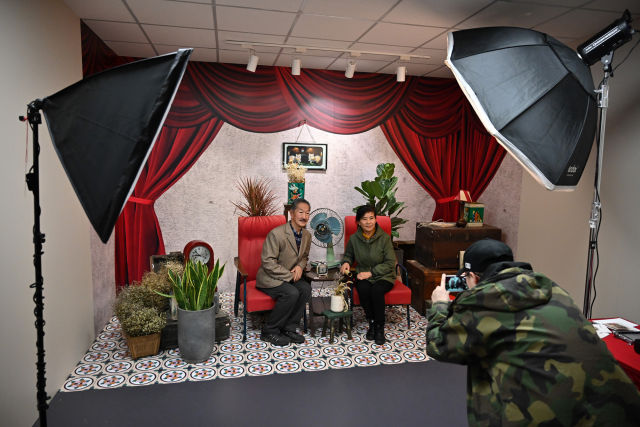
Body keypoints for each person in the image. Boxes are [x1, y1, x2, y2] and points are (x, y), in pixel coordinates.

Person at [426, 238, 640, 426]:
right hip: (619, 411)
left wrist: (440, 305)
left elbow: (438, 345)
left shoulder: (479, 302)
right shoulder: (553, 290)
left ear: (473, 276)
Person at [256, 198, 312, 346]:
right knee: (291, 293)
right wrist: (290, 276)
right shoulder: (277, 234)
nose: (304, 216)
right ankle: (269, 331)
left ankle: (289, 328)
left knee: (305, 289)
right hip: (270, 277)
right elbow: (268, 262)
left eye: (307, 213)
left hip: (291, 276)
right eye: (301, 212)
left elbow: (304, 257)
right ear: (292, 214)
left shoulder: (307, 235)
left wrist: (300, 267)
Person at [340, 205, 396, 345]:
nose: (368, 222)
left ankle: (379, 327)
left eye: (371, 218)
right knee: (363, 289)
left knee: (377, 290)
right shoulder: (354, 239)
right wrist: (346, 262)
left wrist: (371, 273)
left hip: (384, 275)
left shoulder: (384, 238)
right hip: (362, 275)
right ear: (358, 222)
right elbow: (348, 255)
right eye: (364, 219)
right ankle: (371, 322)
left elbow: (390, 263)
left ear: (376, 220)